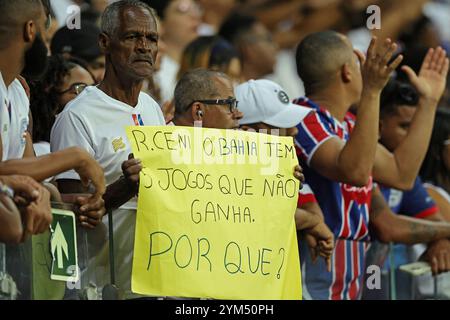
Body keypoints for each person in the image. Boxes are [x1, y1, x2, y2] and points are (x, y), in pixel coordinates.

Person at [293, 30, 449, 299]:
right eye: (358, 62)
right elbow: (353, 171)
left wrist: (429, 101)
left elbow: (402, 174)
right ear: (347, 72)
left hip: (350, 277)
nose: (365, 67)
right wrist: (372, 91)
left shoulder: (350, 127)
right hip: (313, 273)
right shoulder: (303, 118)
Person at [51, 0, 165, 298]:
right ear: (105, 42)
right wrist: (124, 187)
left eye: (151, 38)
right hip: (98, 284)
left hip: (150, 281)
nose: (143, 46)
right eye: (131, 37)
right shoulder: (78, 116)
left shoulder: (152, 109)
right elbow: (72, 212)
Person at [0, 0, 106, 232]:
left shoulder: (18, 91)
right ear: (30, 30)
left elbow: (24, 169)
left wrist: (42, 192)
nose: (48, 48)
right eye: (44, 31)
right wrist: (76, 157)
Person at [235, 78, 335, 269]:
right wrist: (312, 223)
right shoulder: (229, 169)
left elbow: (313, 212)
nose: (294, 130)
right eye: (281, 123)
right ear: (247, 132)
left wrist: (311, 221)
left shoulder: (281, 165)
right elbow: (269, 213)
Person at [30, 55, 95, 157]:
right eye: (80, 89)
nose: (92, 96)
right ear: (50, 98)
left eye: (94, 88)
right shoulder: (40, 151)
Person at [145, 0, 202, 103]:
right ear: (162, 22)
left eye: (196, 9)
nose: (194, 16)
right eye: (183, 10)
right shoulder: (153, 67)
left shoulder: (201, 63)